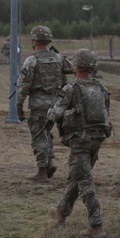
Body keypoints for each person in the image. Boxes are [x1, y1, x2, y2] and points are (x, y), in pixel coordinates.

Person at [49, 49, 112, 238]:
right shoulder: (100, 87)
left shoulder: (71, 89)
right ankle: (61, 213)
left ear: (75, 67)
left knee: (84, 181)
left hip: (80, 140)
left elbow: (57, 113)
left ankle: (96, 225)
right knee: (78, 176)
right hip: (97, 138)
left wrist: (49, 113)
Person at [16, 25, 73, 181]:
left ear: (34, 40)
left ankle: (42, 171)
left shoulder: (32, 60)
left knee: (39, 136)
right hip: (58, 105)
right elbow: (72, 68)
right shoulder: (59, 58)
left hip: (39, 106)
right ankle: (50, 162)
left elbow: (23, 87)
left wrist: (19, 106)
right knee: (47, 134)